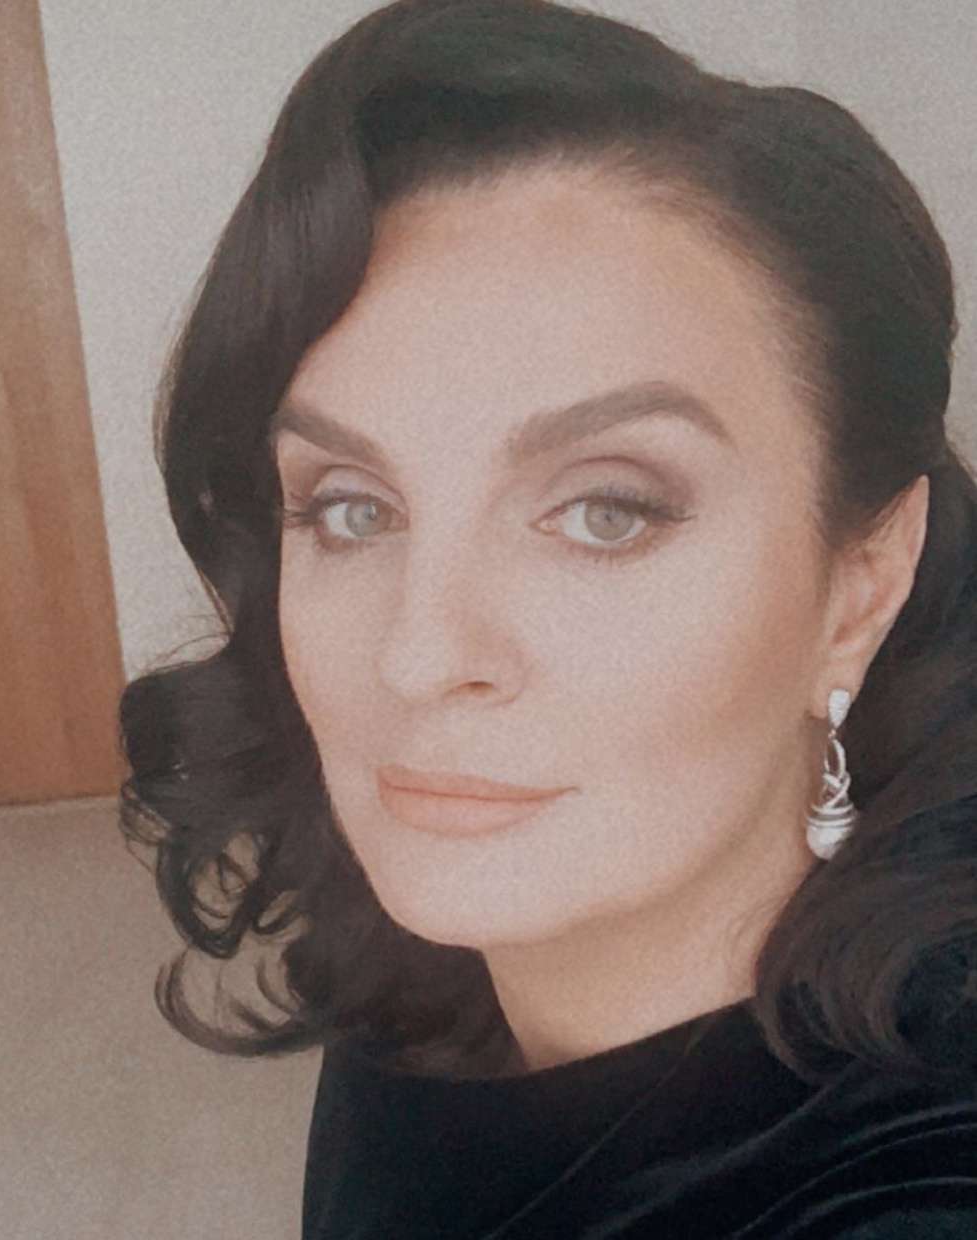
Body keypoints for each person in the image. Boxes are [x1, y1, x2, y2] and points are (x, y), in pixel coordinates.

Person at [117, 1, 977, 1234]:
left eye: (606, 513)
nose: (421, 655)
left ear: (863, 582)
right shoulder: (437, 960)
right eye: (352, 508)